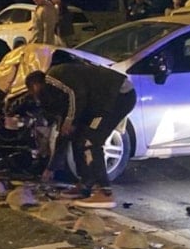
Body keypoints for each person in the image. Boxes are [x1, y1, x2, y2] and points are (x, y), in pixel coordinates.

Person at [24, 63, 136, 208]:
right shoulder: (61, 99)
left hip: (118, 96)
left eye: (33, 92)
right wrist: (51, 167)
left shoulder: (54, 77)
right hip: (103, 101)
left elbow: (76, 93)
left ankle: (105, 193)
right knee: (78, 138)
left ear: (34, 86)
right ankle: (85, 185)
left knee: (90, 141)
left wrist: (70, 120)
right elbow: (64, 135)